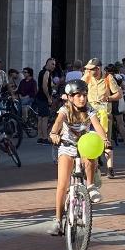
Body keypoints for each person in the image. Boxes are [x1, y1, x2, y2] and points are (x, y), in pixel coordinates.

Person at [46, 79, 111, 236]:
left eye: (84, 95)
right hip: (67, 146)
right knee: (62, 184)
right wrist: (54, 134)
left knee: (90, 153)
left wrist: (105, 141)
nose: (82, 98)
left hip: (84, 146)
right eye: (77, 95)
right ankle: (57, 221)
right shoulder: (64, 110)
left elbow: (98, 127)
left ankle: (90, 186)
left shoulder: (89, 110)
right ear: (69, 97)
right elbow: (56, 125)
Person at [81, 58, 121, 178]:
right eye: (87, 69)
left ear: (97, 69)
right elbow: (79, 87)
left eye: (91, 69)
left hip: (104, 114)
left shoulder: (108, 78)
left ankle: (110, 168)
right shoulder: (87, 77)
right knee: (89, 140)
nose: (88, 71)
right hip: (90, 114)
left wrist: (108, 98)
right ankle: (94, 166)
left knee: (106, 141)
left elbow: (119, 94)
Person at [35, 58, 57, 145]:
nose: (54, 66)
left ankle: (40, 137)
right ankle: (44, 138)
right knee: (45, 118)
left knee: (40, 118)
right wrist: (48, 97)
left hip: (39, 97)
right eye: (52, 64)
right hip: (43, 98)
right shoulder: (46, 72)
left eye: (54, 64)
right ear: (47, 64)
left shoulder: (42, 72)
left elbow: (46, 85)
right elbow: (44, 86)